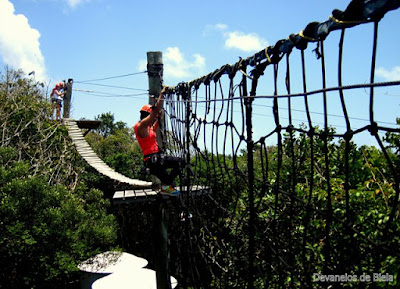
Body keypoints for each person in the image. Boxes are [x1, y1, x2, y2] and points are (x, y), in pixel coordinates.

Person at [134, 86, 184, 196]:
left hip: (155, 161)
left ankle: (166, 186)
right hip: (153, 160)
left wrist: (159, 115)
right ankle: (166, 186)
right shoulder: (141, 126)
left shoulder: (149, 128)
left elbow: (155, 121)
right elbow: (155, 111)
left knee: (171, 184)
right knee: (180, 162)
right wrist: (162, 95)